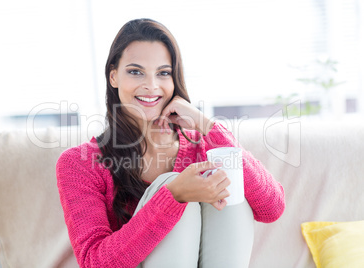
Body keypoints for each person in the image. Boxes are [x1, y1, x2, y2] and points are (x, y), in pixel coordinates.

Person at [56, 18, 285, 268]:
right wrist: (174, 196)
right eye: (135, 71)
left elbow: (271, 208)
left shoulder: (202, 145)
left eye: (163, 73)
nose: (151, 85)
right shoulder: (79, 164)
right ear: (113, 76)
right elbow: (94, 263)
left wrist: (207, 126)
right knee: (172, 184)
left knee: (229, 180)